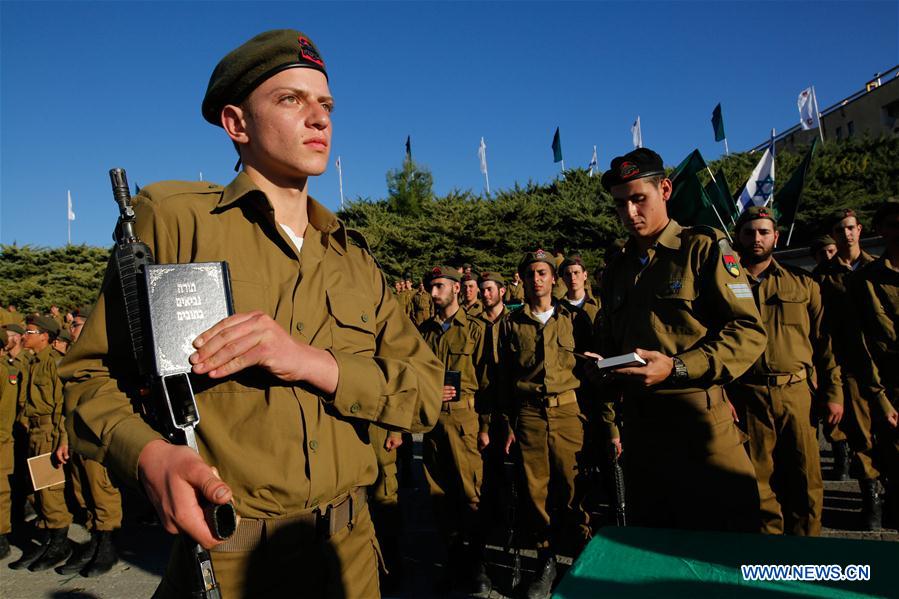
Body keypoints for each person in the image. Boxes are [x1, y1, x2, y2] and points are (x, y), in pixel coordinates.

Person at [60, 29, 443, 598]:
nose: (319, 118)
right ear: (237, 124)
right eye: (291, 100)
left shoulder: (353, 256)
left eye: (326, 105)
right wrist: (150, 456)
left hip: (352, 554)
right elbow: (87, 379)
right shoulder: (175, 222)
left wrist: (310, 362)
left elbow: (425, 393)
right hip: (230, 557)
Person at [595, 148, 766, 533]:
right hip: (642, 434)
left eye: (640, 199)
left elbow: (749, 332)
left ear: (665, 189)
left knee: (725, 554)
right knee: (659, 556)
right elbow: (615, 341)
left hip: (701, 428)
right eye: (621, 205)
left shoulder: (702, 249)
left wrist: (678, 367)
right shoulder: (616, 270)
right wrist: (603, 366)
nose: (630, 213)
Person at [726, 206, 843, 536]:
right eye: (749, 232)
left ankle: (805, 560)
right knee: (758, 485)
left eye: (764, 232)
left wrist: (833, 394)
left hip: (796, 394)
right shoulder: (725, 285)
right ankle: (769, 564)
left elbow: (825, 345)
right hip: (747, 394)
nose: (757, 238)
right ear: (738, 237)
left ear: (776, 236)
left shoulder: (802, 283)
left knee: (806, 481)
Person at [500, 250, 592, 599]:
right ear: (522, 280)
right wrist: (507, 424)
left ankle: (583, 554)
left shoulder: (575, 319)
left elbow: (592, 371)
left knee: (575, 486)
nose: (536, 279)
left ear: (554, 279)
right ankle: (546, 559)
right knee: (535, 491)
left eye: (542, 273)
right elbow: (505, 377)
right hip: (530, 415)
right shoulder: (511, 323)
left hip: (569, 413)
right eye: (530, 274)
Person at [418, 265, 492, 595]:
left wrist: (488, 426)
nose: (433, 294)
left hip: (465, 421)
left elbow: (489, 382)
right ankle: (453, 563)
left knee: (471, 497)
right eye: (431, 288)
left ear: (456, 289)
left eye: (438, 287)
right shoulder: (425, 332)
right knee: (440, 498)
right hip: (433, 424)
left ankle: (477, 566)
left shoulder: (476, 329)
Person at [813, 209, 882, 528]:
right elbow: (822, 330)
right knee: (863, 437)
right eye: (840, 230)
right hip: (851, 366)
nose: (847, 234)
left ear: (860, 230)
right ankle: (872, 503)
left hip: (886, 365)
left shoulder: (878, 268)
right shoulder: (822, 276)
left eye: (851, 228)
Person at [57, 306, 123, 577]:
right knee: (82, 491)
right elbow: (65, 407)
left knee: (101, 491)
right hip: (75, 435)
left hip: (96, 436)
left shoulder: (104, 358)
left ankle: (107, 547)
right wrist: (63, 439)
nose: (71, 328)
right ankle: (95, 542)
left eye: (76, 324)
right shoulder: (72, 360)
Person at [849, 200, 899, 530]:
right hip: (893, 392)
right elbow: (861, 347)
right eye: (894, 223)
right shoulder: (867, 280)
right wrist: (880, 400)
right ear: (881, 231)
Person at [10, 315, 73, 571]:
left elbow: (62, 405)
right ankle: (48, 539)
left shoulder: (53, 363)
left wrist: (62, 440)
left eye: (31, 331)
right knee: (37, 489)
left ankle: (60, 544)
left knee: (49, 490)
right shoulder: (32, 362)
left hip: (49, 431)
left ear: (45, 336)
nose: (25, 335)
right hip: (35, 430)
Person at [559, 254, 600, 325]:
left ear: (585, 275)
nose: (572, 278)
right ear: (563, 279)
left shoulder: (598, 305)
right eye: (568, 274)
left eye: (576, 272)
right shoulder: (558, 308)